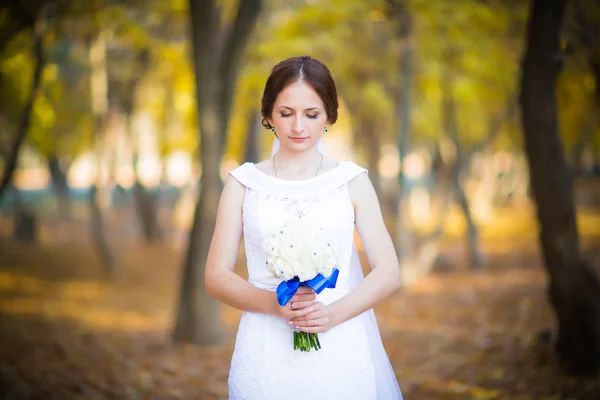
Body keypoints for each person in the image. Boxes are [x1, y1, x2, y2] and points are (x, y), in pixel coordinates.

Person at [205, 56, 403, 399]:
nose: (298, 126)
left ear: (329, 117)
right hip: (265, 346)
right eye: (286, 113)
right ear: (268, 116)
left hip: (340, 341)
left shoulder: (351, 181)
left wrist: (330, 315)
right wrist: (274, 305)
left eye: (311, 114)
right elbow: (216, 276)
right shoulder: (243, 184)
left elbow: (389, 272)